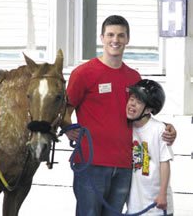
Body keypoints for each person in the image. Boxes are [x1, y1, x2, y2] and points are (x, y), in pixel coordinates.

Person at [63, 15, 176, 216]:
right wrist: (67, 128)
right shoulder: (83, 73)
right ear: (102, 37)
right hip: (91, 164)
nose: (115, 40)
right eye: (110, 35)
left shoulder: (134, 77)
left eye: (121, 35)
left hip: (125, 166)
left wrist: (166, 127)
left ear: (127, 39)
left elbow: (142, 115)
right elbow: (64, 109)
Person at [126, 79, 174, 216]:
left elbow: (164, 163)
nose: (132, 104)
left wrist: (162, 194)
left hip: (157, 204)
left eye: (139, 101)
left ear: (148, 109)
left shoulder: (159, 130)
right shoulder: (127, 127)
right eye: (132, 98)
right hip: (135, 206)